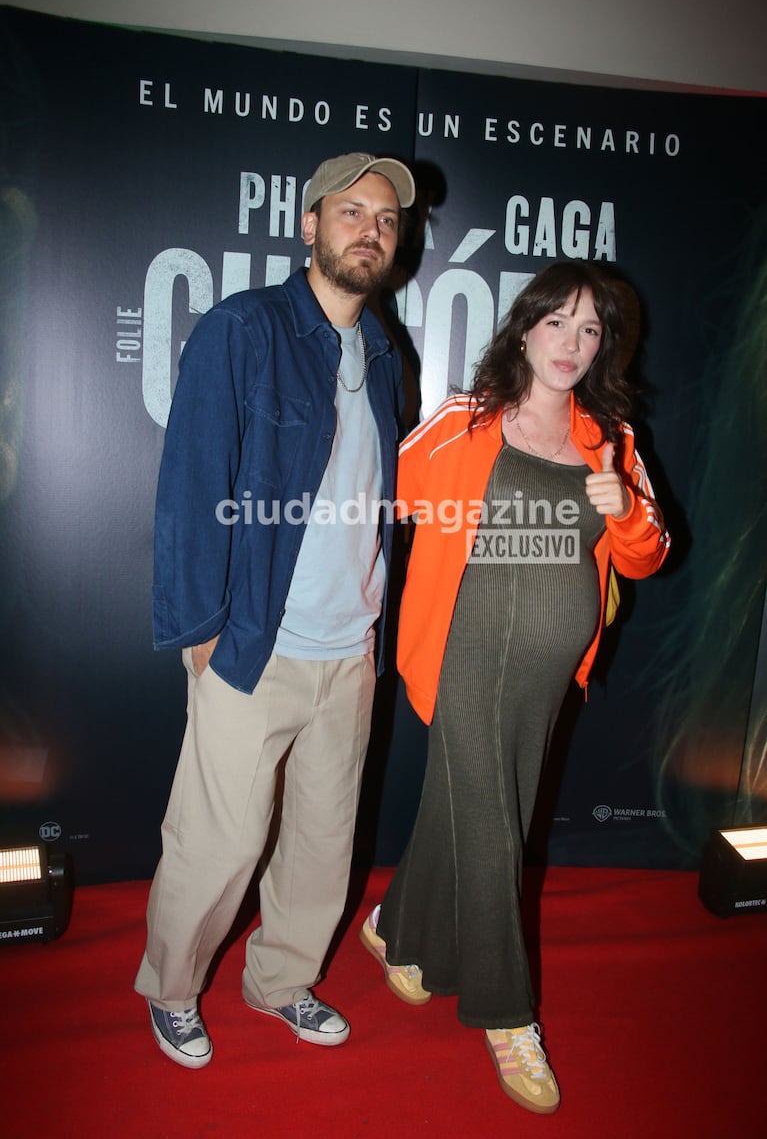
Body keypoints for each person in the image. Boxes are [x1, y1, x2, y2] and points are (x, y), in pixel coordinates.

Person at [360, 260, 670, 1114]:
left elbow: (649, 553)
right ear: (524, 326)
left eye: (591, 330)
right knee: (494, 822)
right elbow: (383, 488)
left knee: (480, 803)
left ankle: (394, 927)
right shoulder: (468, 420)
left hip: (544, 670)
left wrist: (623, 511)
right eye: (557, 323)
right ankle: (506, 1015)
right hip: (463, 650)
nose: (571, 344)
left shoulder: (610, 440)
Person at [135, 152, 416, 1068]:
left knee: (323, 845)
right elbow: (189, 486)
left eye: (385, 218)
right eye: (351, 211)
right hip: (253, 644)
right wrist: (200, 633)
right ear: (307, 224)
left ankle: (280, 981)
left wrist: (377, 627)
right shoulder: (243, 328)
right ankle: (174, 990)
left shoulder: (382, 352)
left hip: (349, 654)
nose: (369, 228)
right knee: (216, 845)